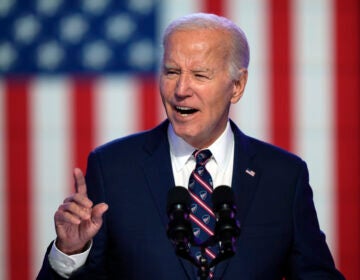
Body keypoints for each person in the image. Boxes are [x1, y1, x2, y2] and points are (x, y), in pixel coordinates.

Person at [37, 13, 344, 279]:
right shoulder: (113, 168)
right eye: (172, 72)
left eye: (200, 75)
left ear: (237, 86)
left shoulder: (283, 176)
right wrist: (70, 252)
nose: (181, 90)